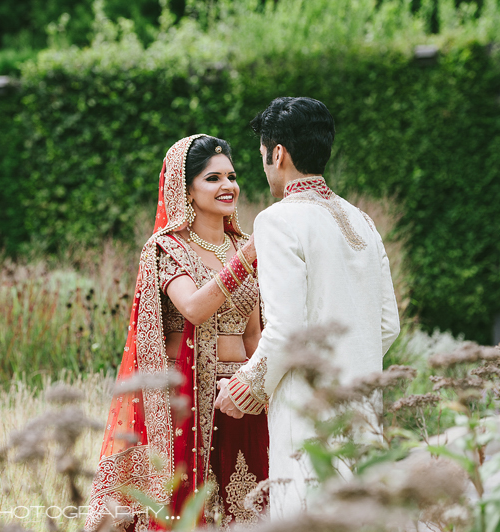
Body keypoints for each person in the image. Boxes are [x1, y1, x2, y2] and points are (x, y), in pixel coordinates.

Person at [214, 97, 401, 517]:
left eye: (262, 154)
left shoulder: (278, 220)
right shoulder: (363, 221)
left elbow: (285, 329)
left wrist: (245, 388)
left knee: (306, 514)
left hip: (307, 407)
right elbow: (388, 324)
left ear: (277, 153)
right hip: (364, 405)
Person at [85, 135, 269, 531]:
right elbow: (194, 307)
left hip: (241, 396)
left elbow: (255, 336)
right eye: (213, 178)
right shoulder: (167, 249)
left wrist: (261, 391)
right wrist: (247, 259)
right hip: (186, 405)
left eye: (232, 176)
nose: (228, 186)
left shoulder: (242, 243)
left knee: (248, 510)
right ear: (185, 189)